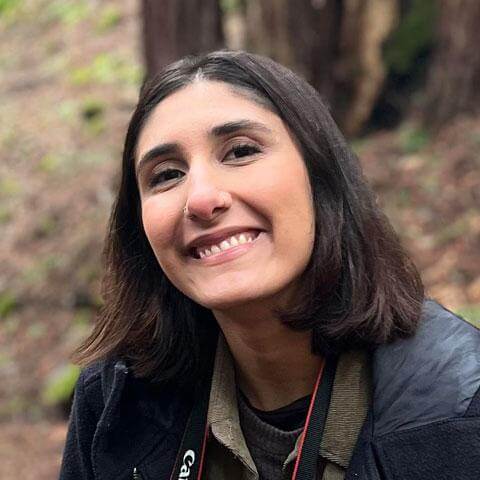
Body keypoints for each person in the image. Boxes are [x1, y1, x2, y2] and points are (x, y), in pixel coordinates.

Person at [59, 50, 480, 480]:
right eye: (166, 175)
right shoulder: (118, 404)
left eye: (240, 151)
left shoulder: (459, 407)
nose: (201, 199)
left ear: (321, 178)